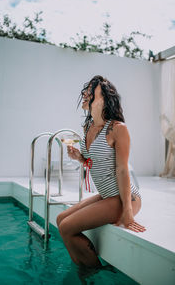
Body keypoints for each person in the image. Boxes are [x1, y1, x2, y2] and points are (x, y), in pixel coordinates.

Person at [56, 75, 146, 268]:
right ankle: (85, 267)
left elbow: (122, 169)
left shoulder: (118, 129)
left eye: (91, 91)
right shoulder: (88, 127)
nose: (85, 95)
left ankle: (92, 274)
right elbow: (94, 161)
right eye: (85, 91)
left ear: (105, 99)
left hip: (125, 198)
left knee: (66, 227)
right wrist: (80, 158)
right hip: (107, 195)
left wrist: (128, 213)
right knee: (60, 219)